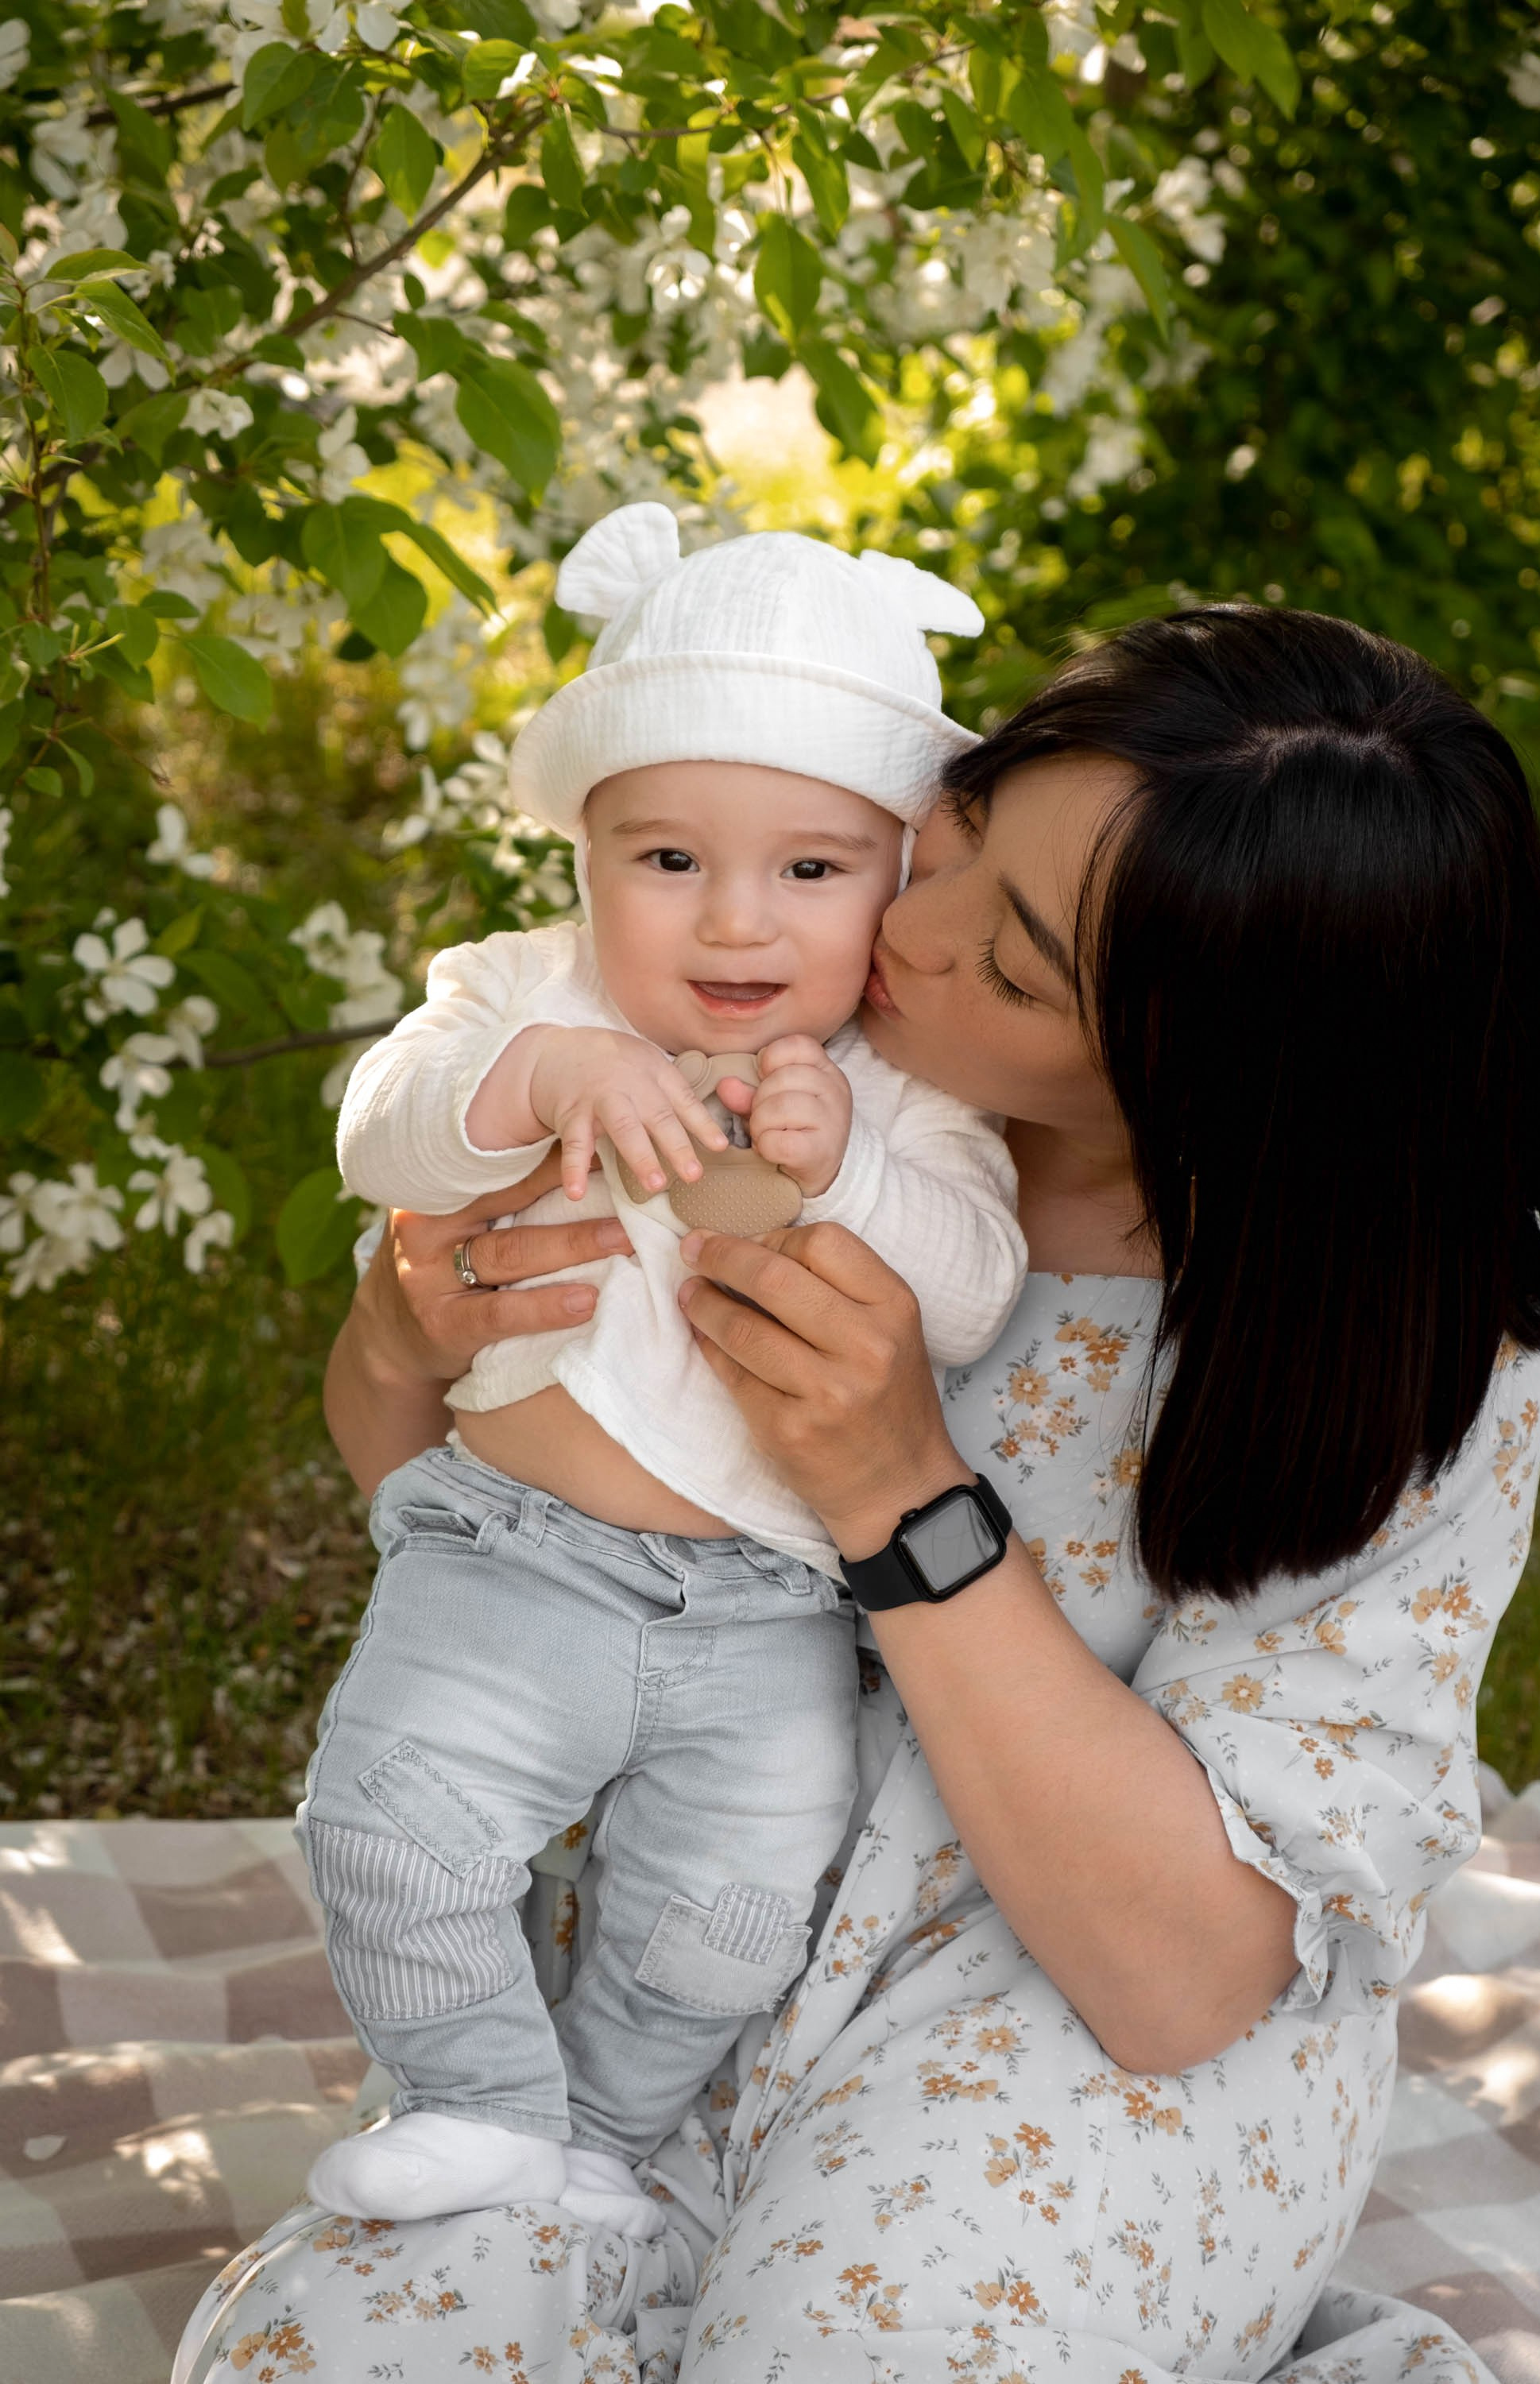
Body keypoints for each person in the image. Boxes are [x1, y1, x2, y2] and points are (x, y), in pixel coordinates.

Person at [176, 605, 1540, 2384]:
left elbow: (1179, 1983)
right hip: (671, 1954)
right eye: (957, 828)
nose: (895, 937)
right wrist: (398, 1346)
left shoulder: (1400, 1326)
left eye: (1009, 970)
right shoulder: (750, 1054)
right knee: (315, 2356)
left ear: (1207, 1070)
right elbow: (500, 1550)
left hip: (1063, 2023)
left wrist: (902, 1493)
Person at [303, 504, 1025, 2232]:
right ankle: (478, 2101)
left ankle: (605, 2150)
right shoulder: (523, 995)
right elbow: (379, 1137)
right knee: (388, 1830)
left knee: (727, 1915)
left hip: (766, 1610)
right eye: (667, 859)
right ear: (584, 854)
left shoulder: (893, 1088)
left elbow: (980, 1291)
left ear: (893, 880)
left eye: (809, 867)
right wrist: (542, 1074)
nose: (731, 923)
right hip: (513, 1556)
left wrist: (847, 1167)